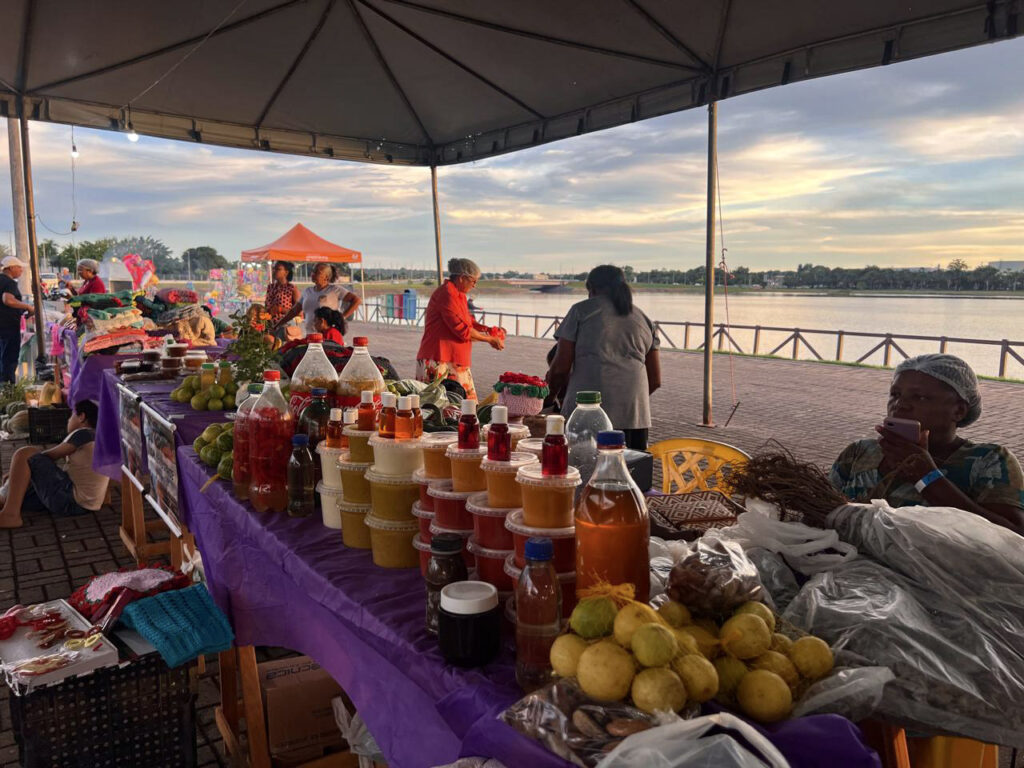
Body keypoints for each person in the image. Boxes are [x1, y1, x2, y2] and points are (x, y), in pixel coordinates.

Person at [830, 353, 1024, 533]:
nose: (900, 405)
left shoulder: (989, 461)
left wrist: (926, 477)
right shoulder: (860, 452)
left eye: (920, 397)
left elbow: (1013, 535)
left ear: (959, 411)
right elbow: (822, 506)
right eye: (895, 394)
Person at [546, 265, 660, 451]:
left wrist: (548, 400)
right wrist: (625, 401)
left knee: (582, 473)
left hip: (585, 416)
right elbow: (655, 380)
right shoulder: (644, 319)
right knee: (629, 474)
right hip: (635, 417)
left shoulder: (581, 311)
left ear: (591, 288)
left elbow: (560, 368)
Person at [0, 400, 109, 528]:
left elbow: (45, 457)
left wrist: (17, 471)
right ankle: (4, 500)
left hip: (71, 500)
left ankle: (11, 515)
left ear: (82, 417)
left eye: (71, 416)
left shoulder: (83, 433)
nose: (68, 421)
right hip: (86, 505)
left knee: (24, 453)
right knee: (20, 490)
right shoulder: (99, 438)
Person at [416, 258, 504, 400]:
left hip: (455, 359)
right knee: (436, 406)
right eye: (473, 281)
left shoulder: (459, 295)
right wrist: (489, 339)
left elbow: (468, 321)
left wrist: (488, 329)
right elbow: (463, 331)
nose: (474, 285)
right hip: (438, 358)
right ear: (462, 278)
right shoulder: (447, 294)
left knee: (465, 407)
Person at [273, 263, 362, 337]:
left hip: (327, 336)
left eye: (317, 272)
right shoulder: (307, 291)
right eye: (313, 271)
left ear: (326, 277)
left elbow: (356, 300)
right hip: (310, 335)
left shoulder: (335, 290)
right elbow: (294, 311)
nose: (313, 274)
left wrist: (342, 317)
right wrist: (278, 325)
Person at [0, 256, 32, 384]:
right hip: (8, 326)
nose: (21, 270)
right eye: (19, 267)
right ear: (11, 267)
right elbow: (7, 300)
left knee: (2, 357)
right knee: (9, 358)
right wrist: (27, 306)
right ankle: (8, 388)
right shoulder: (9, 282)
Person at [263, 260, 301, 338]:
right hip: (270, 326)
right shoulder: (271, 287)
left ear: (286, 272)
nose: (275, 271)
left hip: (285, 327)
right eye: (274, 269)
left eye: (278, 269)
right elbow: (267, 306)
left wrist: (280, 309)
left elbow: (299, 312)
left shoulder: (292, 288)